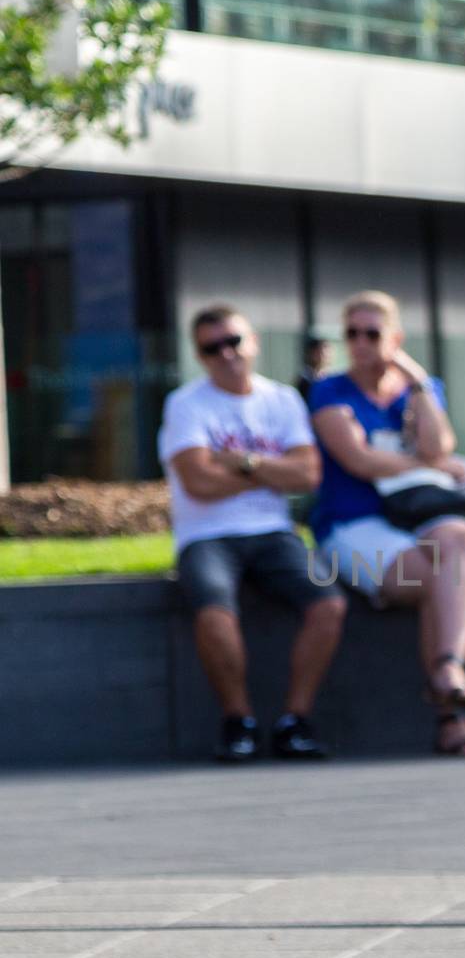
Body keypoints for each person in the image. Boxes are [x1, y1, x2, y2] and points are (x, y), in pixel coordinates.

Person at [309, 290, 465, 759]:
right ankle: (452, 717)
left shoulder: (419, 386)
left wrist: (415, 380)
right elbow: (359, 461)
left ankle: (449, 668)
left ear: (395, 339)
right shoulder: (329, 389)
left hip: (415, 519)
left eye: (372, 333)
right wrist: (424, 461)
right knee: (441, 577)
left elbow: (441, 442)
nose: (360, 343)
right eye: (351, 333)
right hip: (352, 525)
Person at [159, 305, 346, 763]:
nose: (226, 354)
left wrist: (241, 462)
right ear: (200, 355)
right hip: (207, 535)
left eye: (234, 342)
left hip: (273, 532)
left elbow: (307, 475)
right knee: (215, 611)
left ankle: (294, 720)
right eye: (212, 347)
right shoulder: (186, 404)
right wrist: (270, 471)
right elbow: (197, 483)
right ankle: (237, 720)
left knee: (329, 603)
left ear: (254, 341)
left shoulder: (282, 399)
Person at [295, 329, 334, 404]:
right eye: (321, 351)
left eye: (328, 351)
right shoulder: (304, 381)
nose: (325, 355)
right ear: (312, 353)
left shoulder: (332, 378)